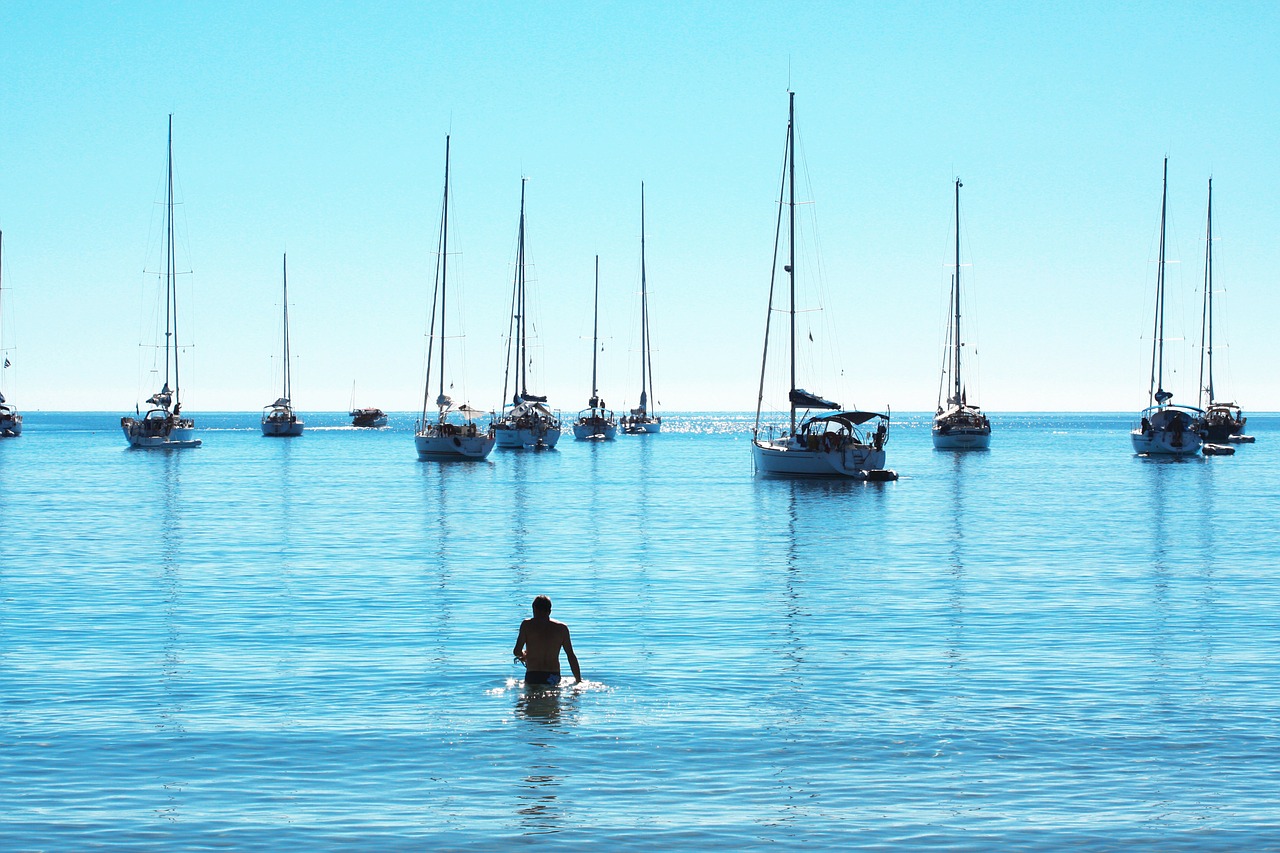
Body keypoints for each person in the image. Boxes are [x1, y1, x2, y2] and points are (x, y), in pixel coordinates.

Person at [513, 595, 582, 686]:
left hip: (533, 675)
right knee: (552, 698)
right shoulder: (562, 628)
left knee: (531, 699)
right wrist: (578, 680)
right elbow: (570, 656)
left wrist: (523, 655)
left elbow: (517, 651)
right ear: (549, 611)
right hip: (553, 675)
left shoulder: (527, 625)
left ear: (534, 609)